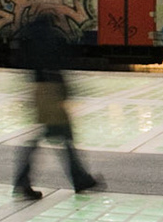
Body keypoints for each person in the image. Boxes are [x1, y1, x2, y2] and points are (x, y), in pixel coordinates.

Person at [12, 16, 101, 199]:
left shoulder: (29, 35)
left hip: (39, 90)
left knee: (56, 136)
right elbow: (59, 63)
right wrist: (67, 90)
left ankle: (79, 178)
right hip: (51, 91)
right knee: (60, 136)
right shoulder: (52, 36)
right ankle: (24, 181)